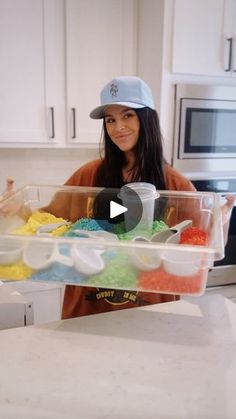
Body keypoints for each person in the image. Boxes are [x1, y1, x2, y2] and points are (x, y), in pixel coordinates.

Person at [0, 76, 235, 318]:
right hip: (85, 313)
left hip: (152, 313)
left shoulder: (175, 185)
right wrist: (19, 210)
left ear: (146, 118)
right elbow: (47, 225)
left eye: (127, 115)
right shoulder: (88, 175)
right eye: (110, 120)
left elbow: (203, 249)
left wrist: (221, 222)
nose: (118, 127)